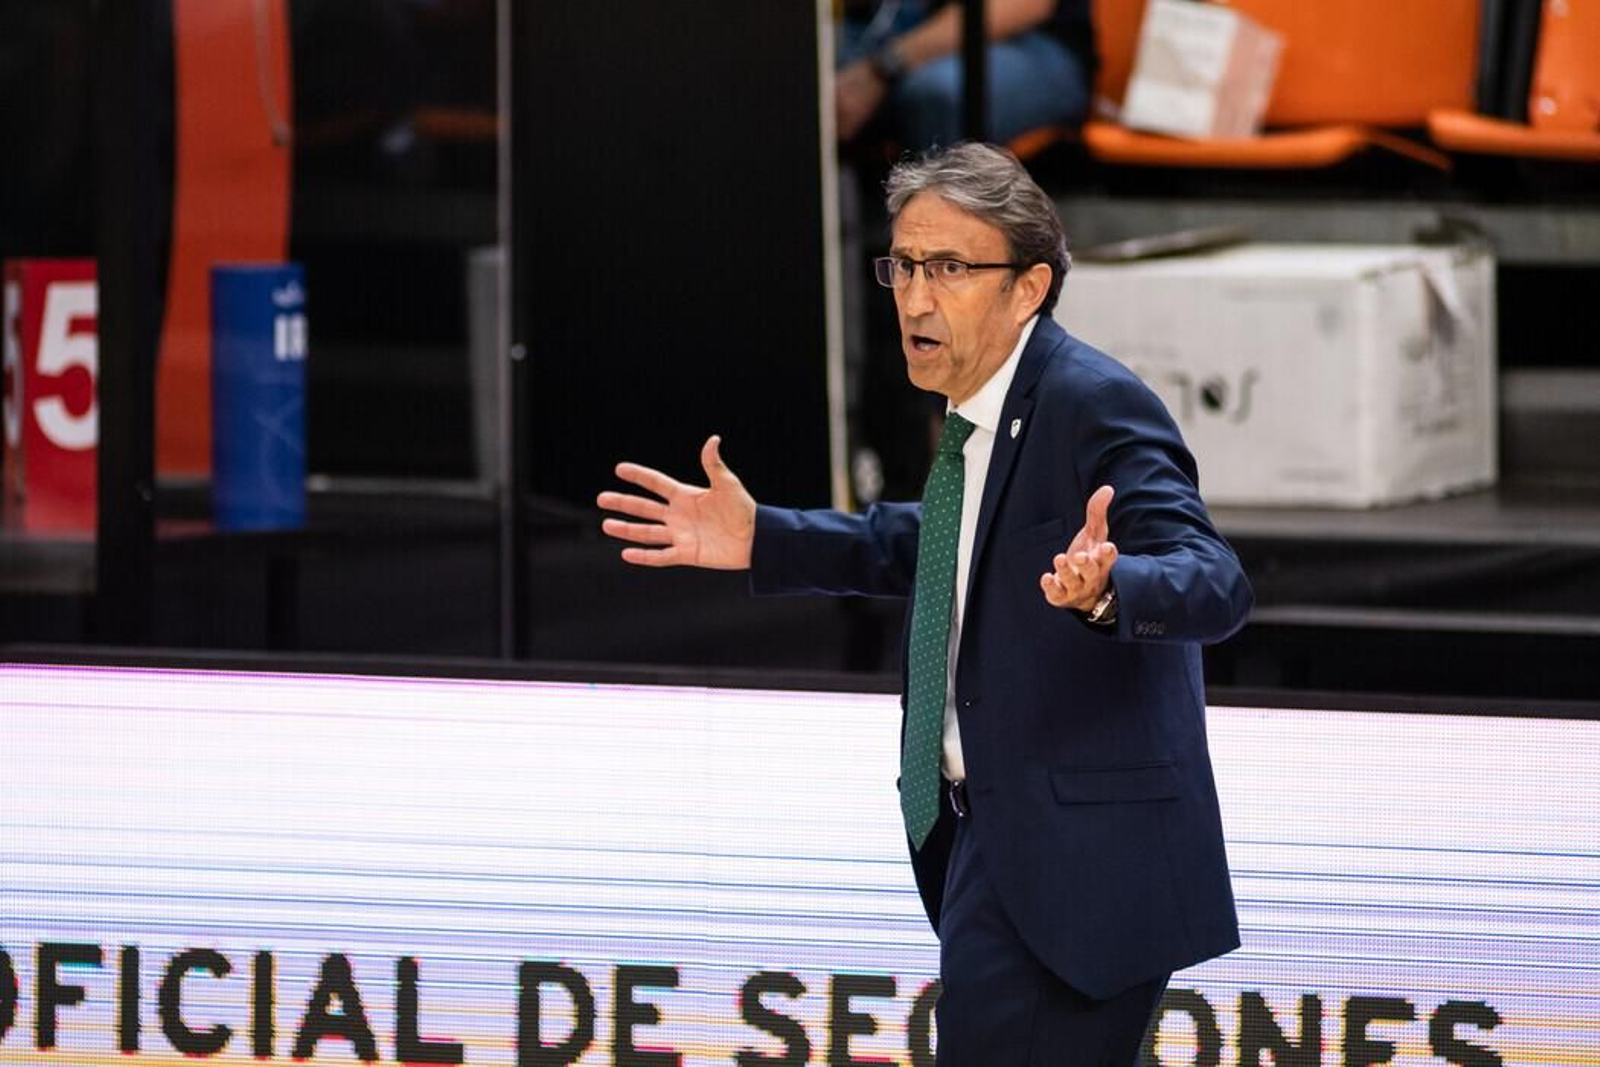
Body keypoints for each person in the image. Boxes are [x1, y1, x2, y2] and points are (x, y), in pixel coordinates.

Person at [597, 142, 1252, 1064]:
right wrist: (764, 538)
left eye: (948, 268)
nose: (913, 298)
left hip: (1077, 861)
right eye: (903, 264)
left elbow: (1215, 579)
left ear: (1028, 287)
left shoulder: (1092, 402)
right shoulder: (984, 405)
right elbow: (936, 543)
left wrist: (1113, 591)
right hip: (1001, 837)